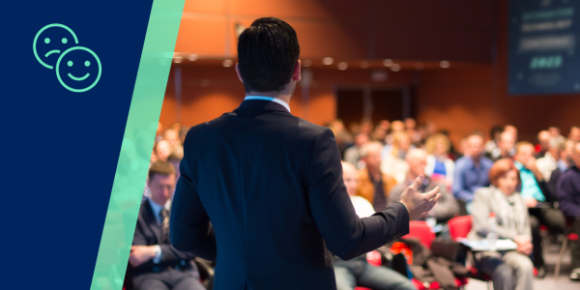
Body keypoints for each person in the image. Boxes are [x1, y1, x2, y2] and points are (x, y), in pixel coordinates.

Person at [169, 17, 440, 290]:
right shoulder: (313, 141)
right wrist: (403, 211)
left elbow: (183, 237)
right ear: (296, 70)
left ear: (240, 72)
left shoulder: (201, 138)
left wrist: (241, 255)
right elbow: (347, 240)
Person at [334, 162, 416, 290]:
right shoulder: (328, 207)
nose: (353, 185)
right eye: (348, 180)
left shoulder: (361, 202)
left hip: (362, 263)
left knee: (406, 286)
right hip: (338, 264)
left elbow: (378, 232)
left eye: (355, 180)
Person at [129, 161, 204, 290]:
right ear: (148, 184)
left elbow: (190, 251)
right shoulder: (134, 215)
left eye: (169, 187)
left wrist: (154, 251)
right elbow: (137, 258)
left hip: (183, 273)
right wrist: (174, 252)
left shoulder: (183, 211)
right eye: (160, 186)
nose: (164, 193)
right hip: (149, 275)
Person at [468, 159, 534, 290]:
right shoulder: (484, 195)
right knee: (504, 271)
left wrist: (526, 243)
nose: (509, 183)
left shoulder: (519, 199)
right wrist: (514, 236)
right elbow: (482, 225)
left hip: (512, 250)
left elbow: (526, 226)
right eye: (504, 178)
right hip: (487, 250)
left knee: (526, 266)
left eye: (513, 179)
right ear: (496, 178)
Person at [514, 141, 565, 277]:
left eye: (530, 154)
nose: (527, 157)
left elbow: (550, 196)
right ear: (516, 156)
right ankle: (538, 264)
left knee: (562, 221)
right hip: (523, 210)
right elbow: (509, 194)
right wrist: (522, 200)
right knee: (532, 226)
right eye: (523, 154)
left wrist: (539, 175)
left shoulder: (536, 170)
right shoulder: (513, 170)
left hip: (542, 206)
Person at [390, 149, 459, 224]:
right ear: (408, 162)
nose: (424, 166)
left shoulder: (436, 185)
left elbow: (453, 208)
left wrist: (428, 209)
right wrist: (427, 208)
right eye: (420, 162)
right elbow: (392, 215)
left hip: (438, 229)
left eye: (425, 162)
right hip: (410, 232)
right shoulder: (398, 190)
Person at [452, 133, 493, 214]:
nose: (476, 148)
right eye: (473, 146)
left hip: (487, 199)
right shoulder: (460, 165)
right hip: (469, 201)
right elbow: (457, 190)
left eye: (479, 146)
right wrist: (474, 198)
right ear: (467, 147)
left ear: (483, 147)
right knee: (479, 212)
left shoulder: (489, 164)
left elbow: (493, 185)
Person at [557, 141, 580, 281]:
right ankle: (577, 266)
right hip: (576, 219)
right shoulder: (568, 177)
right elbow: (564, 203)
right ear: (575, 156)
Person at [356, 142, 398, 212]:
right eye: (374, 156)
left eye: (380, 156)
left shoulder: (391, 179)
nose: (379, 159)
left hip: (388, 215)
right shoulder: (358, 179)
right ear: (365, 159)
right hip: (368, 216)